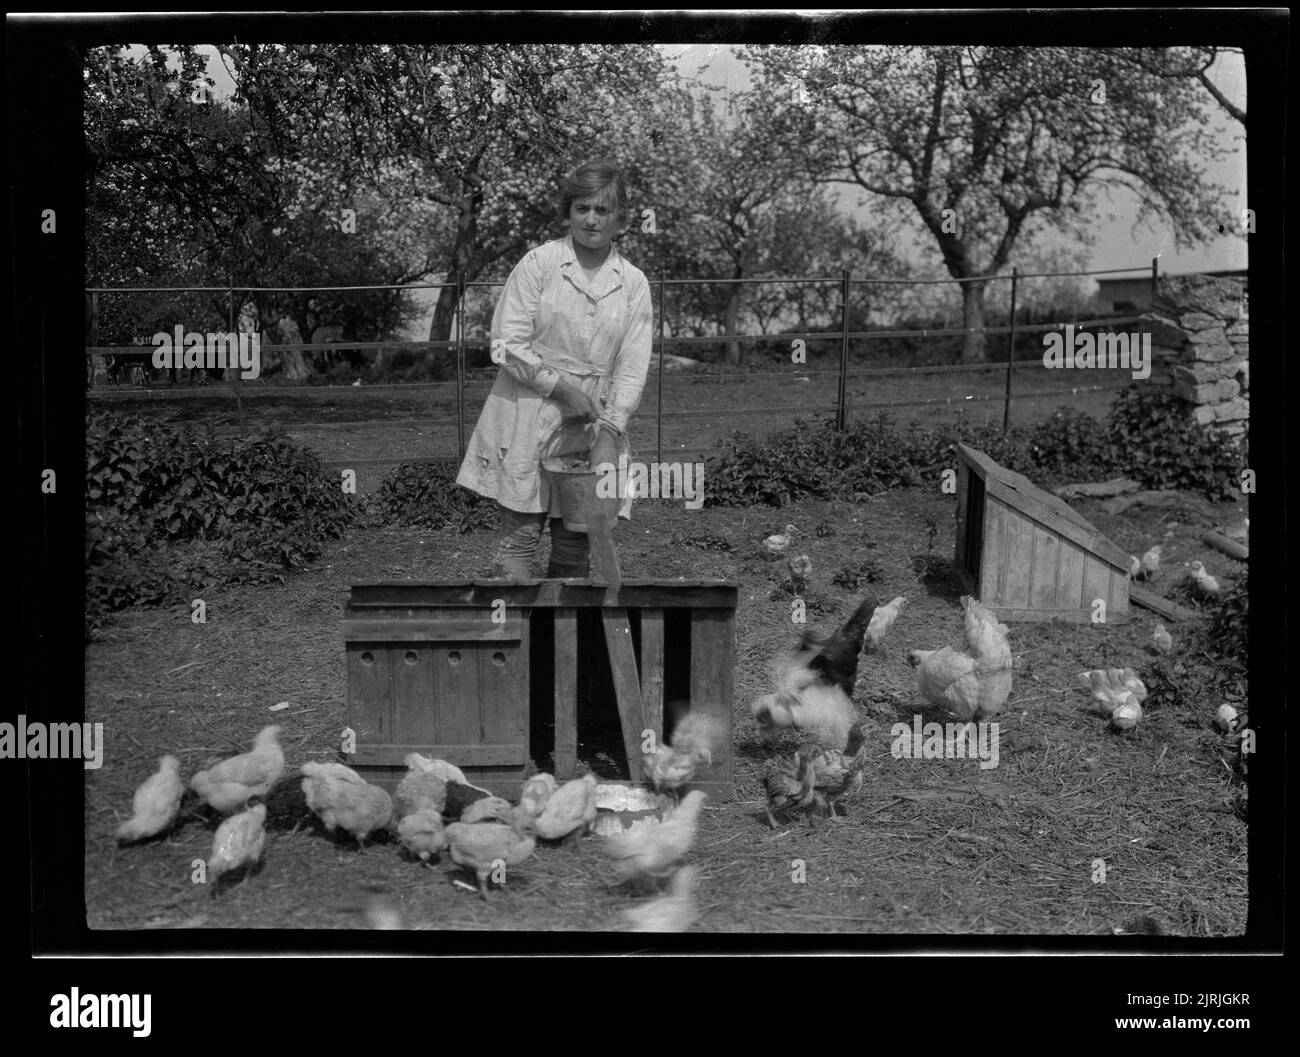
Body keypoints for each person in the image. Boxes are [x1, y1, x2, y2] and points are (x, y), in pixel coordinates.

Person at [455, 158, 653, 578]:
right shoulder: (539, 265)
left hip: (592, 424)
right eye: (582, 208)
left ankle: (561, 640)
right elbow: (507, 345)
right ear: (568, 212)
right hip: (530, 408)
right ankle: (511, 633)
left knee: (575, 540)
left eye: (603, 210)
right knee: (520, 537)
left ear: (620, 218)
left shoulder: (633, 282)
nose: (592, 219)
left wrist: (611, 430)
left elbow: (633, 366)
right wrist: (560, 389)